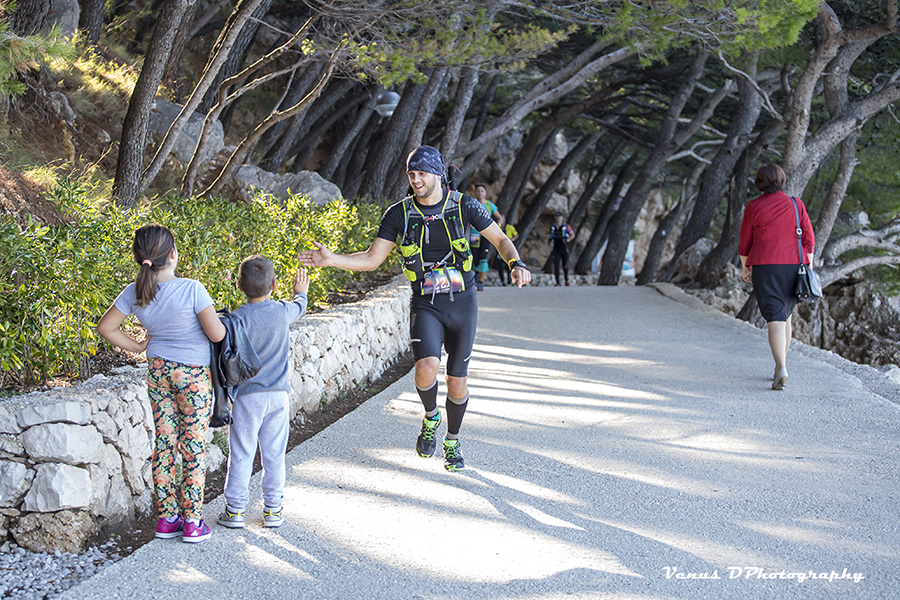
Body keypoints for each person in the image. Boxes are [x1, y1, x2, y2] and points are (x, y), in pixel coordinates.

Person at [298, 146, 530, 471]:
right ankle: (431, 416)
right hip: (426, 302)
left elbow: (500, 239)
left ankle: (452, 440)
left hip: (463, 303)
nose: (416, 180)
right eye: (411, 174)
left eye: (421, 173)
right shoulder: (399, 214)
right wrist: (332, 259)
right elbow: (372, 258)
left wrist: (515, 262)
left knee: (457, 381)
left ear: (437, 174)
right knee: (425, 369)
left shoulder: (464, 206)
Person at [97, 224, 226, 543]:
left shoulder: (135, 292)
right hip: (193, 375)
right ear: (172, 254)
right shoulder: (192, 289)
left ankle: (167, 520)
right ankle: (194, 521)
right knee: (193, 446)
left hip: (157, 371)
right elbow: (217, 335)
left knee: (166, 443)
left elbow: (106, 327)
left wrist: (140, 346)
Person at [217, 256, 309, 530]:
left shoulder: (236, 320)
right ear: (274, 284)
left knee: (242, 452)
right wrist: (300, 291)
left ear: (238, 285)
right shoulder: (282, 311)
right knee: (274, 454)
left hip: (247, 397)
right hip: (278, 396)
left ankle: (235, 511)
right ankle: (273, 510)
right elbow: (300, 306)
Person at [739, 163, 815, 390]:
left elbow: (745, 242)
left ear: (759, 182)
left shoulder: (754, 207)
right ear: (782, 181)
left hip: (765, 266)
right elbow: (809, 238)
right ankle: (779, 367)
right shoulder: (795, 204)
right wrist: (807, 265)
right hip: (793, 266)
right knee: (786, 315)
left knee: (775, 318)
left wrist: (745, 269)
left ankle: (781, 366)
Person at [469, 183, 505, 291]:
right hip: (474, 234)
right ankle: (476, 274)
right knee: (475, 258)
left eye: (482, 191)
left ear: (485, 193)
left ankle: (480, 282)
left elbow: (500, 217)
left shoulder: (489, 205)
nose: (480, 193)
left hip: (486, 234)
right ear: (475, 193)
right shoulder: (472, 204)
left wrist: (496, 227)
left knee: (483, 258)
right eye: (478, 191)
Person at [549, 211, 574, 286]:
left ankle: (566, 279)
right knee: (556, 264)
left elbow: (572, 234)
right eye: (556, 217)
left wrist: (568, 240)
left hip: (564, 246)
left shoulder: (566, 226)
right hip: (556, 247)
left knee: (565, 264)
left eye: (559, 217)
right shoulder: (552, 226)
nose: (558, 218)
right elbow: (550, 235)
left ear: (562, 218)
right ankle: (557, 282)